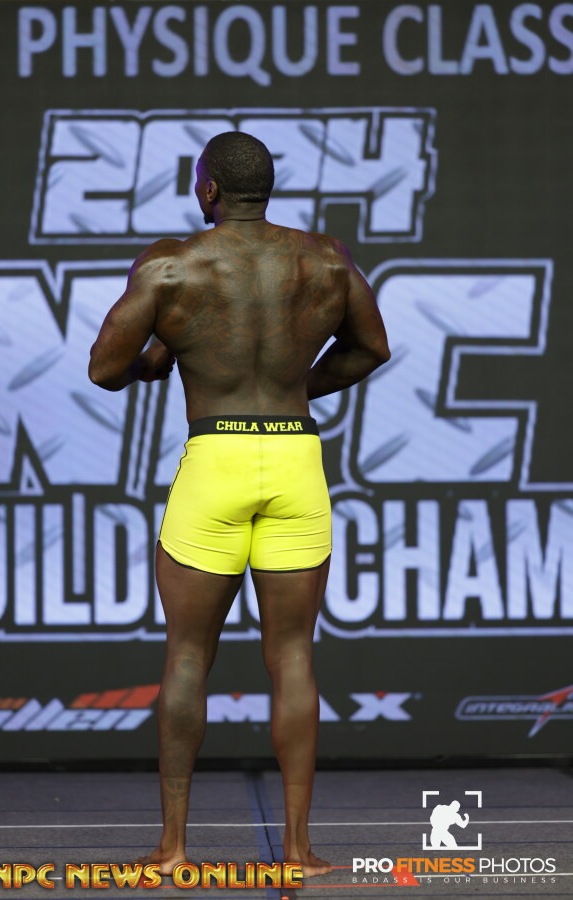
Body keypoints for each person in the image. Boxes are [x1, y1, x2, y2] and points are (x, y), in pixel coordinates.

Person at [88, 131, 391, 878]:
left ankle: (173, 848)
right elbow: (370, 349)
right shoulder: (325, 259)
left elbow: (105, 368)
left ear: (209, 190)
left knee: (189, 655)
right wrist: (294, 388)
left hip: (216, 459)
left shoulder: (172, 264)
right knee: (293, 655)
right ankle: (299, 850)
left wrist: (159, 360)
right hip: (294, 458)